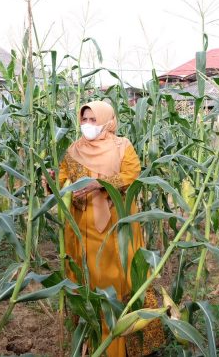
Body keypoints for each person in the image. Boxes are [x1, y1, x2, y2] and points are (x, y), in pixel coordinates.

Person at [58, 101, 161, 357]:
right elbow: (63, 180)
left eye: (94, 120)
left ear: (107, 120)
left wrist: (98, 183)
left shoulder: (121, 146)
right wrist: (52, 182)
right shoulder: (73, 150)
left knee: (119, 281)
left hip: (117, 226)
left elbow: (132, 174)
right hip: (83, 229)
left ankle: (124, 345)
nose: (88, 125)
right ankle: (91, 341)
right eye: (85, 120)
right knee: (89, 282)